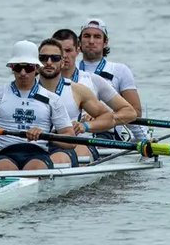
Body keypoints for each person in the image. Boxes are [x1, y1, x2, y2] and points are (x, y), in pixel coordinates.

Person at [0, 40, 75, 171]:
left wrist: (45, 135)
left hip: (38, 155)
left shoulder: (52, 99)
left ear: (36, 68)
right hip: (6, 154)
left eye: (28, 67)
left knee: (34, 169)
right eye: (18, 67)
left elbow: (71, 140)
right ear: (12, 67)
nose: (23, 73)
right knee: (4, 168)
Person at [35, 38, 119, 166]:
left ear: (63, 62)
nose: (49, 62)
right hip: (37, 145)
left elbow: (109, 118)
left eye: (55, 58)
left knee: (64, 157)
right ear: (36, 62)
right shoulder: (25, 91)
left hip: (73, 145)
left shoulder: (77, 90)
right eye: (43, 58)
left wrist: (84, 126)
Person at [50, 28, 139, 142]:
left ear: (78, 50)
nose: (64, 56)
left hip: (91, 140)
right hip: (54, 138)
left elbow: (130, 113)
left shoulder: (93, 80)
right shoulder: (40, 82)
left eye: (68, 50)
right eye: (59, 52)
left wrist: (94, 122)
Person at [77, 19, 145, 140]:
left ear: (105, 42)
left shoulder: (120, 70)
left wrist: (101, 117)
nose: (91, 41)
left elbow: (136, 112)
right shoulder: (70, 70)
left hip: (109, 135)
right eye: (87, 36)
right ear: (79, 42)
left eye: (97, 37)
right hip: (75, 131)